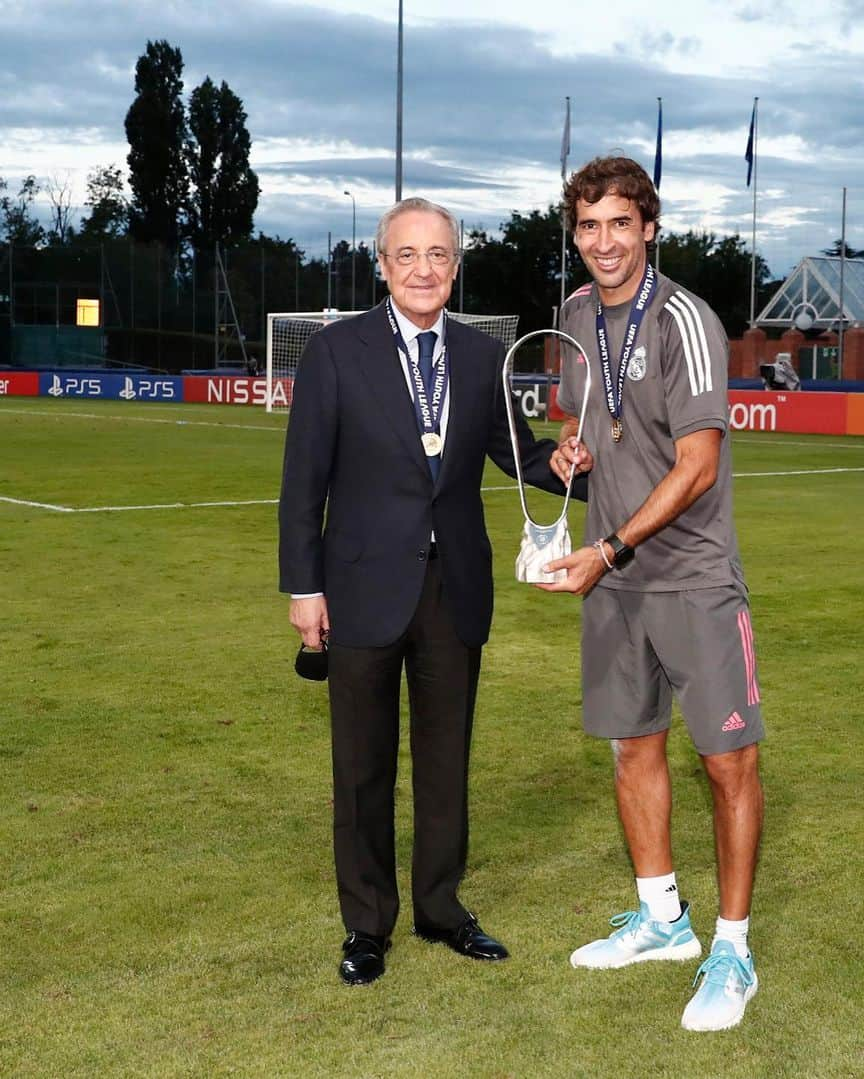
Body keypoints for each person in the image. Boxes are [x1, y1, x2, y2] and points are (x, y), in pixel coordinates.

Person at [279, 196, 583, 986]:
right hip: (358, 588)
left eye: (438, 254)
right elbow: (301, 481)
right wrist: (303, 587)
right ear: (382, 265)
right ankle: (366, 923)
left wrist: (572, 465)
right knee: (362, 764)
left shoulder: (484, 358)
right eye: (407, 254)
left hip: (454, 590)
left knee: (446, 761)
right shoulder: (336, 352)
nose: (424, 268)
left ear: (456, 265)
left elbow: (516, 453)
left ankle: (442, 907)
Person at [544, 156, 765, 1031]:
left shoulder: (685, 318)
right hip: (614, 581)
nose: (604, 242)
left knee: (726, 762)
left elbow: (698, 464)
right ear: (577, 234)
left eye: (620, 224)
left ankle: (734, 946)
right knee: (632, 748)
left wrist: (609, 546)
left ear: (649, 228)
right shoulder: (569, 316)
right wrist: (571, 448)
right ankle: (663, 920)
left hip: (692, 576)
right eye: (589, 226)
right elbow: (581, 420)